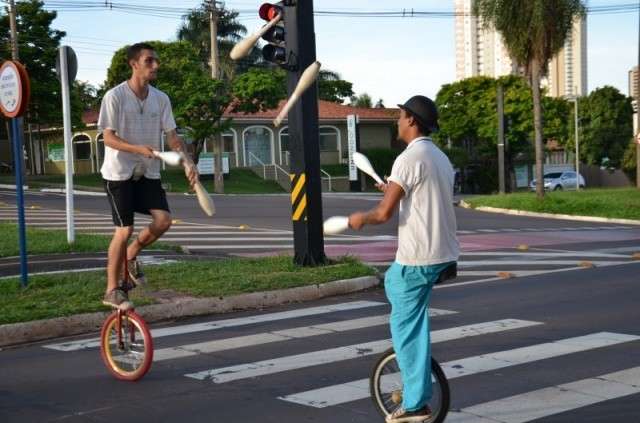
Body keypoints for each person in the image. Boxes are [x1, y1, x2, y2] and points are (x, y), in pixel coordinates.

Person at [348, 95, 459, 423]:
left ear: (411, 120)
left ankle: (415, 404)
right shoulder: (439, 157)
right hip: (444, 253)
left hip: (419, 257)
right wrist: (393, 191)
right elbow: (420, 198)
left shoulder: (408, 159)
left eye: (399, 115)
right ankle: (418, 379)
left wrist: (360, 219)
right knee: (413, 320)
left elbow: (383, 214)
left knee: (404, 320)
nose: (397, 121)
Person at [98, 42, 198, 309]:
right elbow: (108, 138)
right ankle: (111, 289)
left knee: (164, 221)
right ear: (134, 64)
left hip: (148, 172)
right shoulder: (115, 97)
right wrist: (137, 149)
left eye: (156, 61)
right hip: (119, 173)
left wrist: (188, 163)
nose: (156, 65)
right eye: (149, 61)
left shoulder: (161, 98)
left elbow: (173, 137)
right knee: (124, 229)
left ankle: (132, 254)